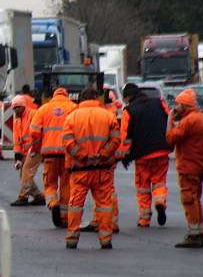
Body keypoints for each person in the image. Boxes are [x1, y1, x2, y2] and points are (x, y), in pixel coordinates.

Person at [62, 87, 121, 249]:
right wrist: (102, 154)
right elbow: (116, 140)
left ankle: (72, 238)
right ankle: (105, 239)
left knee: (75, 204)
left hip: (80, 169)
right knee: (104, 205)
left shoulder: (71, 118)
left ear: (80, 99)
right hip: (102, 168)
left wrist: (82, 156)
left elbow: (67, 141)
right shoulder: (109, 116)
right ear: (97, 98)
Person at [117, 82, 172, 228]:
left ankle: (144, 219)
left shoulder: (128, 111)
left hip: (142, 155)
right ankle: (160, 202)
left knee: (143, 187)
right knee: (159, 182)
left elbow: (125, 137)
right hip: (161, 151)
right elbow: (169, 122)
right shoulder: (159, 103)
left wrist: (124, 157)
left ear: (127, 97)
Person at [166, 88, 203, 248]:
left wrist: (170, 120)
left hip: (189, 166)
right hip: (200, 165)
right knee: (196, 199)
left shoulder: (189, 121)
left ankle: (194, 235)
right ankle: (198, 231)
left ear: (185, 106)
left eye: (177, 105)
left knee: (188, 198)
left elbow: (171, 138)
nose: (175, 108)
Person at [29, 86, 76, 226]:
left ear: (53, 95)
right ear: (67, 95)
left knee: (50, 184)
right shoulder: (73, 107)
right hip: (67, 154)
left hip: (49, 154)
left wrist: (37, 147)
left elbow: (34, 132)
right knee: (67, 185)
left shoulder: (43, 109)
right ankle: (65, 217)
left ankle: (53, 203)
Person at [81, 88, 123, 233]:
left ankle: (104, 221)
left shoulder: (88, 113)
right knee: (105, 190)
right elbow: (116, 138)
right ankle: (105, 221)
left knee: (101, 191)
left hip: (91, 159)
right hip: (106, 158)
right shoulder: (110, 113)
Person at [10, 94, 45, 206]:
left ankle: (23, 197)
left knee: (26, 172)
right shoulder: (16, 120)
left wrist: (35, 147)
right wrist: (18, 158)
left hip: (36, 148)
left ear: (23, 106)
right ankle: (39, 196)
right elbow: (17, 141)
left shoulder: (33, 114)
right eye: (14, 108)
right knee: (24, 175)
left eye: (17, 107)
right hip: (27, 151)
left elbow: (37, 133)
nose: (15, 110)